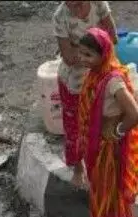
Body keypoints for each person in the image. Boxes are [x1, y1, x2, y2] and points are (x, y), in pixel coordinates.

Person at [79, 27, 138, 217]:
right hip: (97, 147)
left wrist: (118, 131)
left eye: (88, 55)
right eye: (81, 53)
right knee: (100, 194)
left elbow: (134, 113)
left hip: (109, 152)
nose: (83, 60)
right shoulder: (96, 74)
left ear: (103, 54)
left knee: (111, 199)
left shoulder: (112, 80)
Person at [57, 2, 119, 177]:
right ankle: (78, 168)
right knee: (75, 127)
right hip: (75, 82)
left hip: (100, 72)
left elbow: (113, 37)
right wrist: (93, 51)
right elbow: (68, 57)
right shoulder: (60, 16)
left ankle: (101, 163)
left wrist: (85, 51)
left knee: (103, 121)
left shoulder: (98, 4)